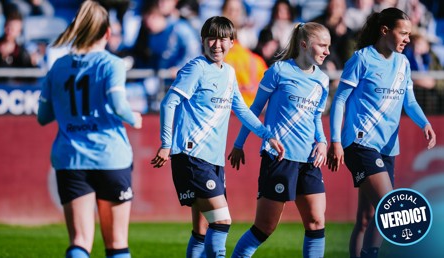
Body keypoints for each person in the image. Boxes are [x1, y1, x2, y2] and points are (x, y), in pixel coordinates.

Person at [150, 16, 285, 258]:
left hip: (213, 161)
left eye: (223, 39)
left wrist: (267, 135)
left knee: (201, 229)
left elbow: (242, 110)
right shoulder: (196, 68)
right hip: (191, 156)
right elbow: (168, 102)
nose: (217, 44)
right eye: (211, 38)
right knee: (222, 221)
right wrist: (165, 143)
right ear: (203, 40)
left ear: (232, 42)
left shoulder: (229, 73)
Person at [326, 8, 436, 258]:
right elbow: (340, 100)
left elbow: (409, 102)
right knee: (391, 209)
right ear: (385, 31)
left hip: (387, 147)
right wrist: (335, 141)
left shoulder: (403, 63)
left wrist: (425, 124)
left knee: (367, 218)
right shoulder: (361, 59)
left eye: (410, 34)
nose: (408, 38)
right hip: (360, 144)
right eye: (403, 33)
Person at [37, 1, 143, 258]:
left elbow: (43, 116)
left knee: (80, 241)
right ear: (107, 32)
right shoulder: (111, 64)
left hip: (71, 158)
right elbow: (119, 106)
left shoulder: (58, 67)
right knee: (117, 244)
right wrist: (134, 118)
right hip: (110, 157)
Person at [228, 22, 331, 258]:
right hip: (280, 158)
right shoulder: (279, 71)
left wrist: (322, 142)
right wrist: (238, 144)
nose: (327, 51)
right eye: (322, 45)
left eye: (329, 46)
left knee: (316, 222)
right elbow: (254, 109)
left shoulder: (322, 80)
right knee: (265, 227)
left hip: (310, 159)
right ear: (304, 45)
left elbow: (316, 117)